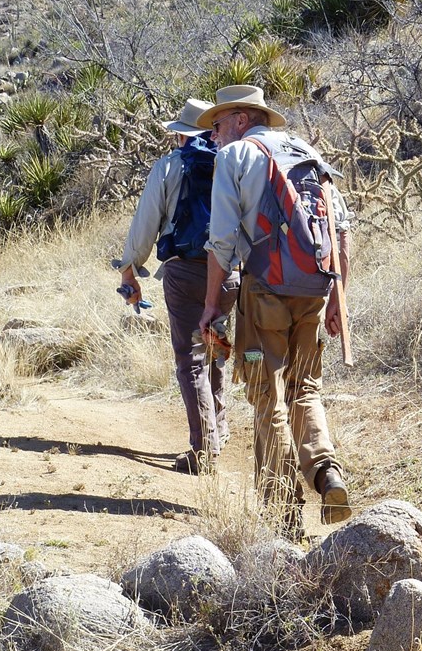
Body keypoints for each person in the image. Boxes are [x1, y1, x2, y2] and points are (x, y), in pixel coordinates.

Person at [195, 85, 352, 535]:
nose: (215, 135)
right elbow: (340, 230)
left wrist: (211, 307)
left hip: (264, 290)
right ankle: (326, 472)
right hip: (316, 290)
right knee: (305, 389)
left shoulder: (237, 156)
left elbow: (222, 240)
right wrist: (338, 298)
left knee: (268, 394)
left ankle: (283, 509)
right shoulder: (307, 151)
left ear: (242, 119)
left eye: (219, 124)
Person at [117, 98, 237, 475]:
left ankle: (203, 451)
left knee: (190, 360)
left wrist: (129, 269)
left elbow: (146, 223)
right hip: (231, 271)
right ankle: (219, 426)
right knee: (216, 346)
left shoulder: (169, 167)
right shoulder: (233, 161)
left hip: (185, 271)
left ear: (182, 134)